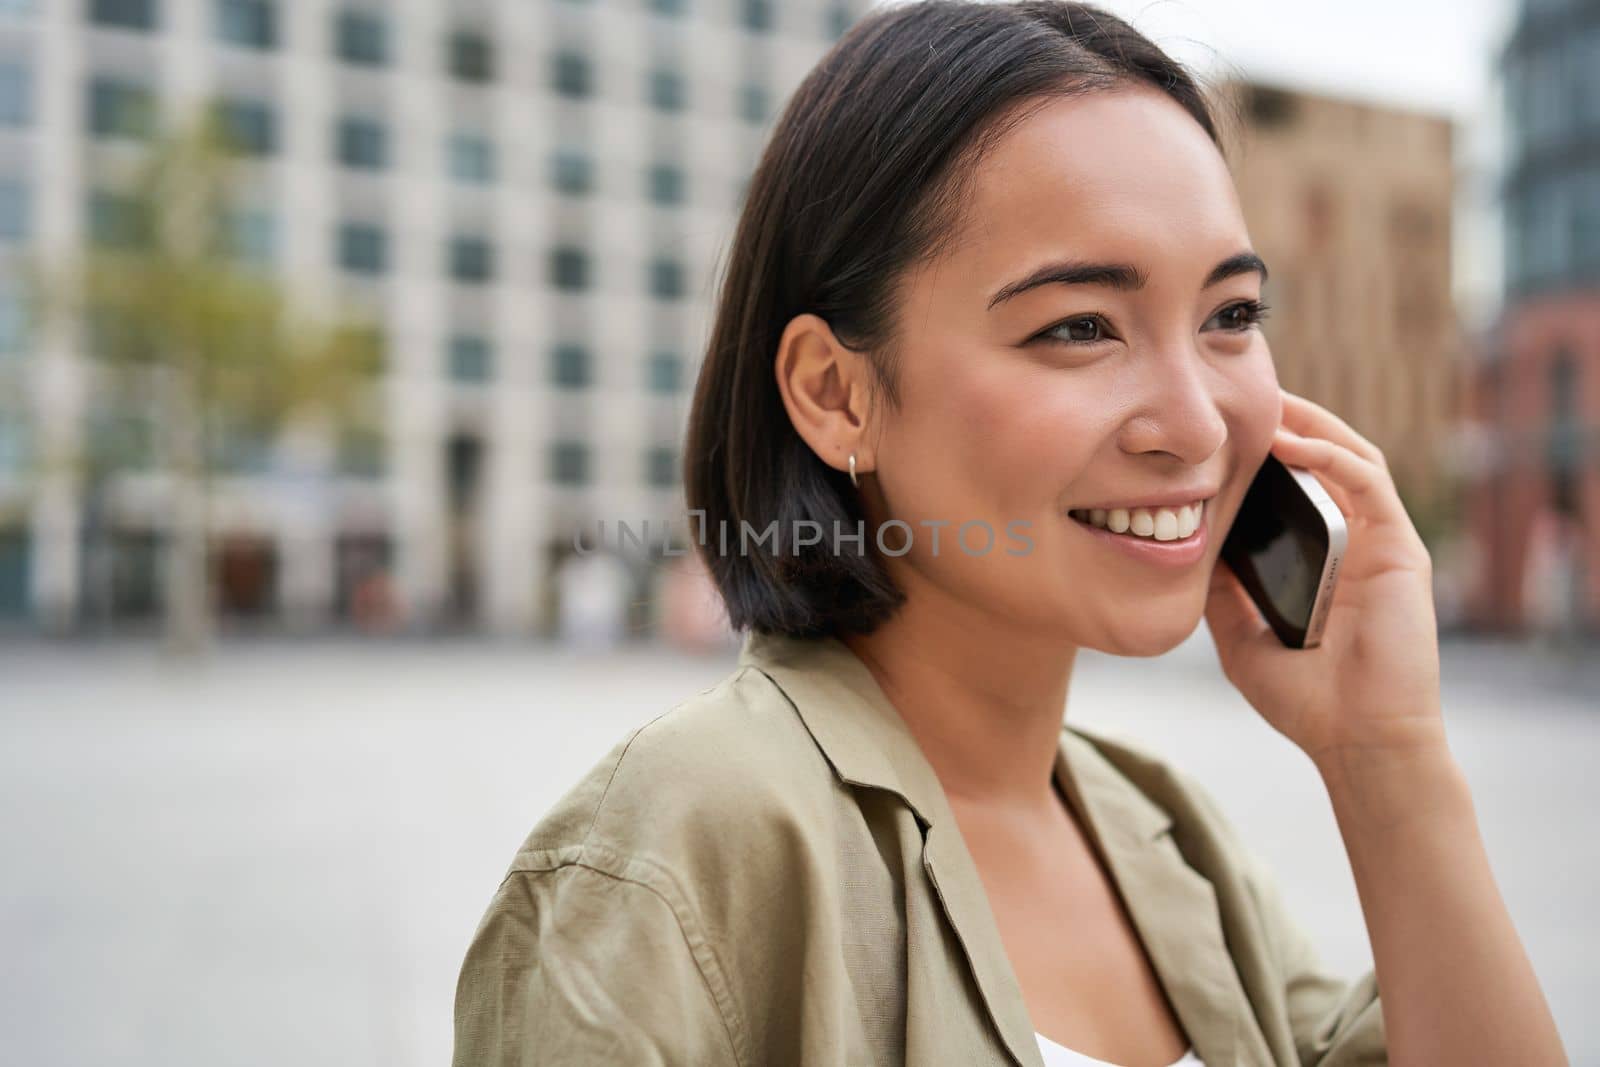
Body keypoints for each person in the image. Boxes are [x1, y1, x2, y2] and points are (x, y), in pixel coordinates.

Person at [452, 2, 1568, 1064]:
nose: (1194, 423)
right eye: (1079, 326)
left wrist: (1389, 762)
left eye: (1229, 316)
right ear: (836, 393)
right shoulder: (672, 857)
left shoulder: (1160, 835)